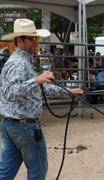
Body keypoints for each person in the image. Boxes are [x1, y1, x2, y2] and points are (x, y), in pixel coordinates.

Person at [0, 18, 84, 180]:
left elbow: (39, 88)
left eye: (36, 38)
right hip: (24, 126)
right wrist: (37, 80)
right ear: (19, 40)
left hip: (13, 125)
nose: (35, 42)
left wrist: (68, 92)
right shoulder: (18, 63)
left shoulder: (23, 61)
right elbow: (10, 92)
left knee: (5, 172)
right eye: (31, 39)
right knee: (38, 171)